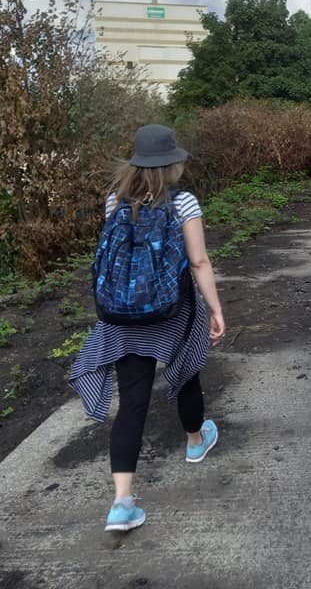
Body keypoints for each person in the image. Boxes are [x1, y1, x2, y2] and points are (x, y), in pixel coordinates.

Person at [70, 124, 226, 532]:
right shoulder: (185, 202)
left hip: (122, 314)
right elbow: (198, 262)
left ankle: (122, 503)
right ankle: (195, 442)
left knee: (132, 401)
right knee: (186, 370)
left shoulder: (114, 200)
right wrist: (215, 308)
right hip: (172, 309)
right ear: (173, 162)